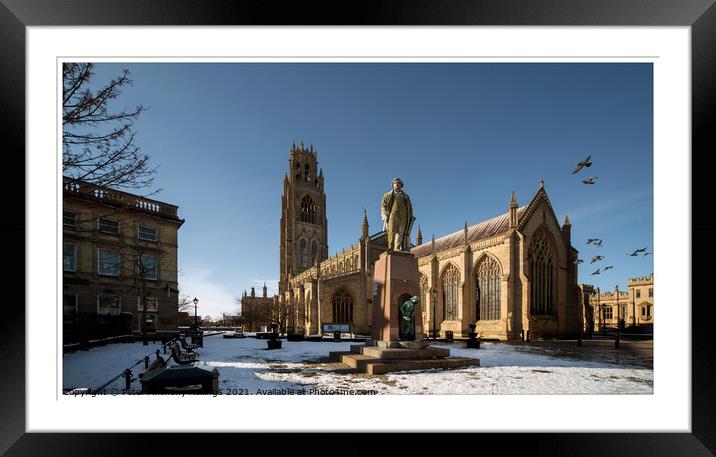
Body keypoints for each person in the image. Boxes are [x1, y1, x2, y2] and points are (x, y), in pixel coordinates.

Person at [380, 178, 415, 252]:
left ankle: (397, 248)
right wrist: (384, 216)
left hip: (404, 216)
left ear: (401, 186)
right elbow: (383, 206)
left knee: (400, 232)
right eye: (396, 183)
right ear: (392, 185)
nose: (397, 185)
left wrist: (411, 217)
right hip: (393, 214)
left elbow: (410, 207)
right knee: (392, 231)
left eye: (399, 183)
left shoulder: (405, 196)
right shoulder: (387, 195)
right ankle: (390, 247)